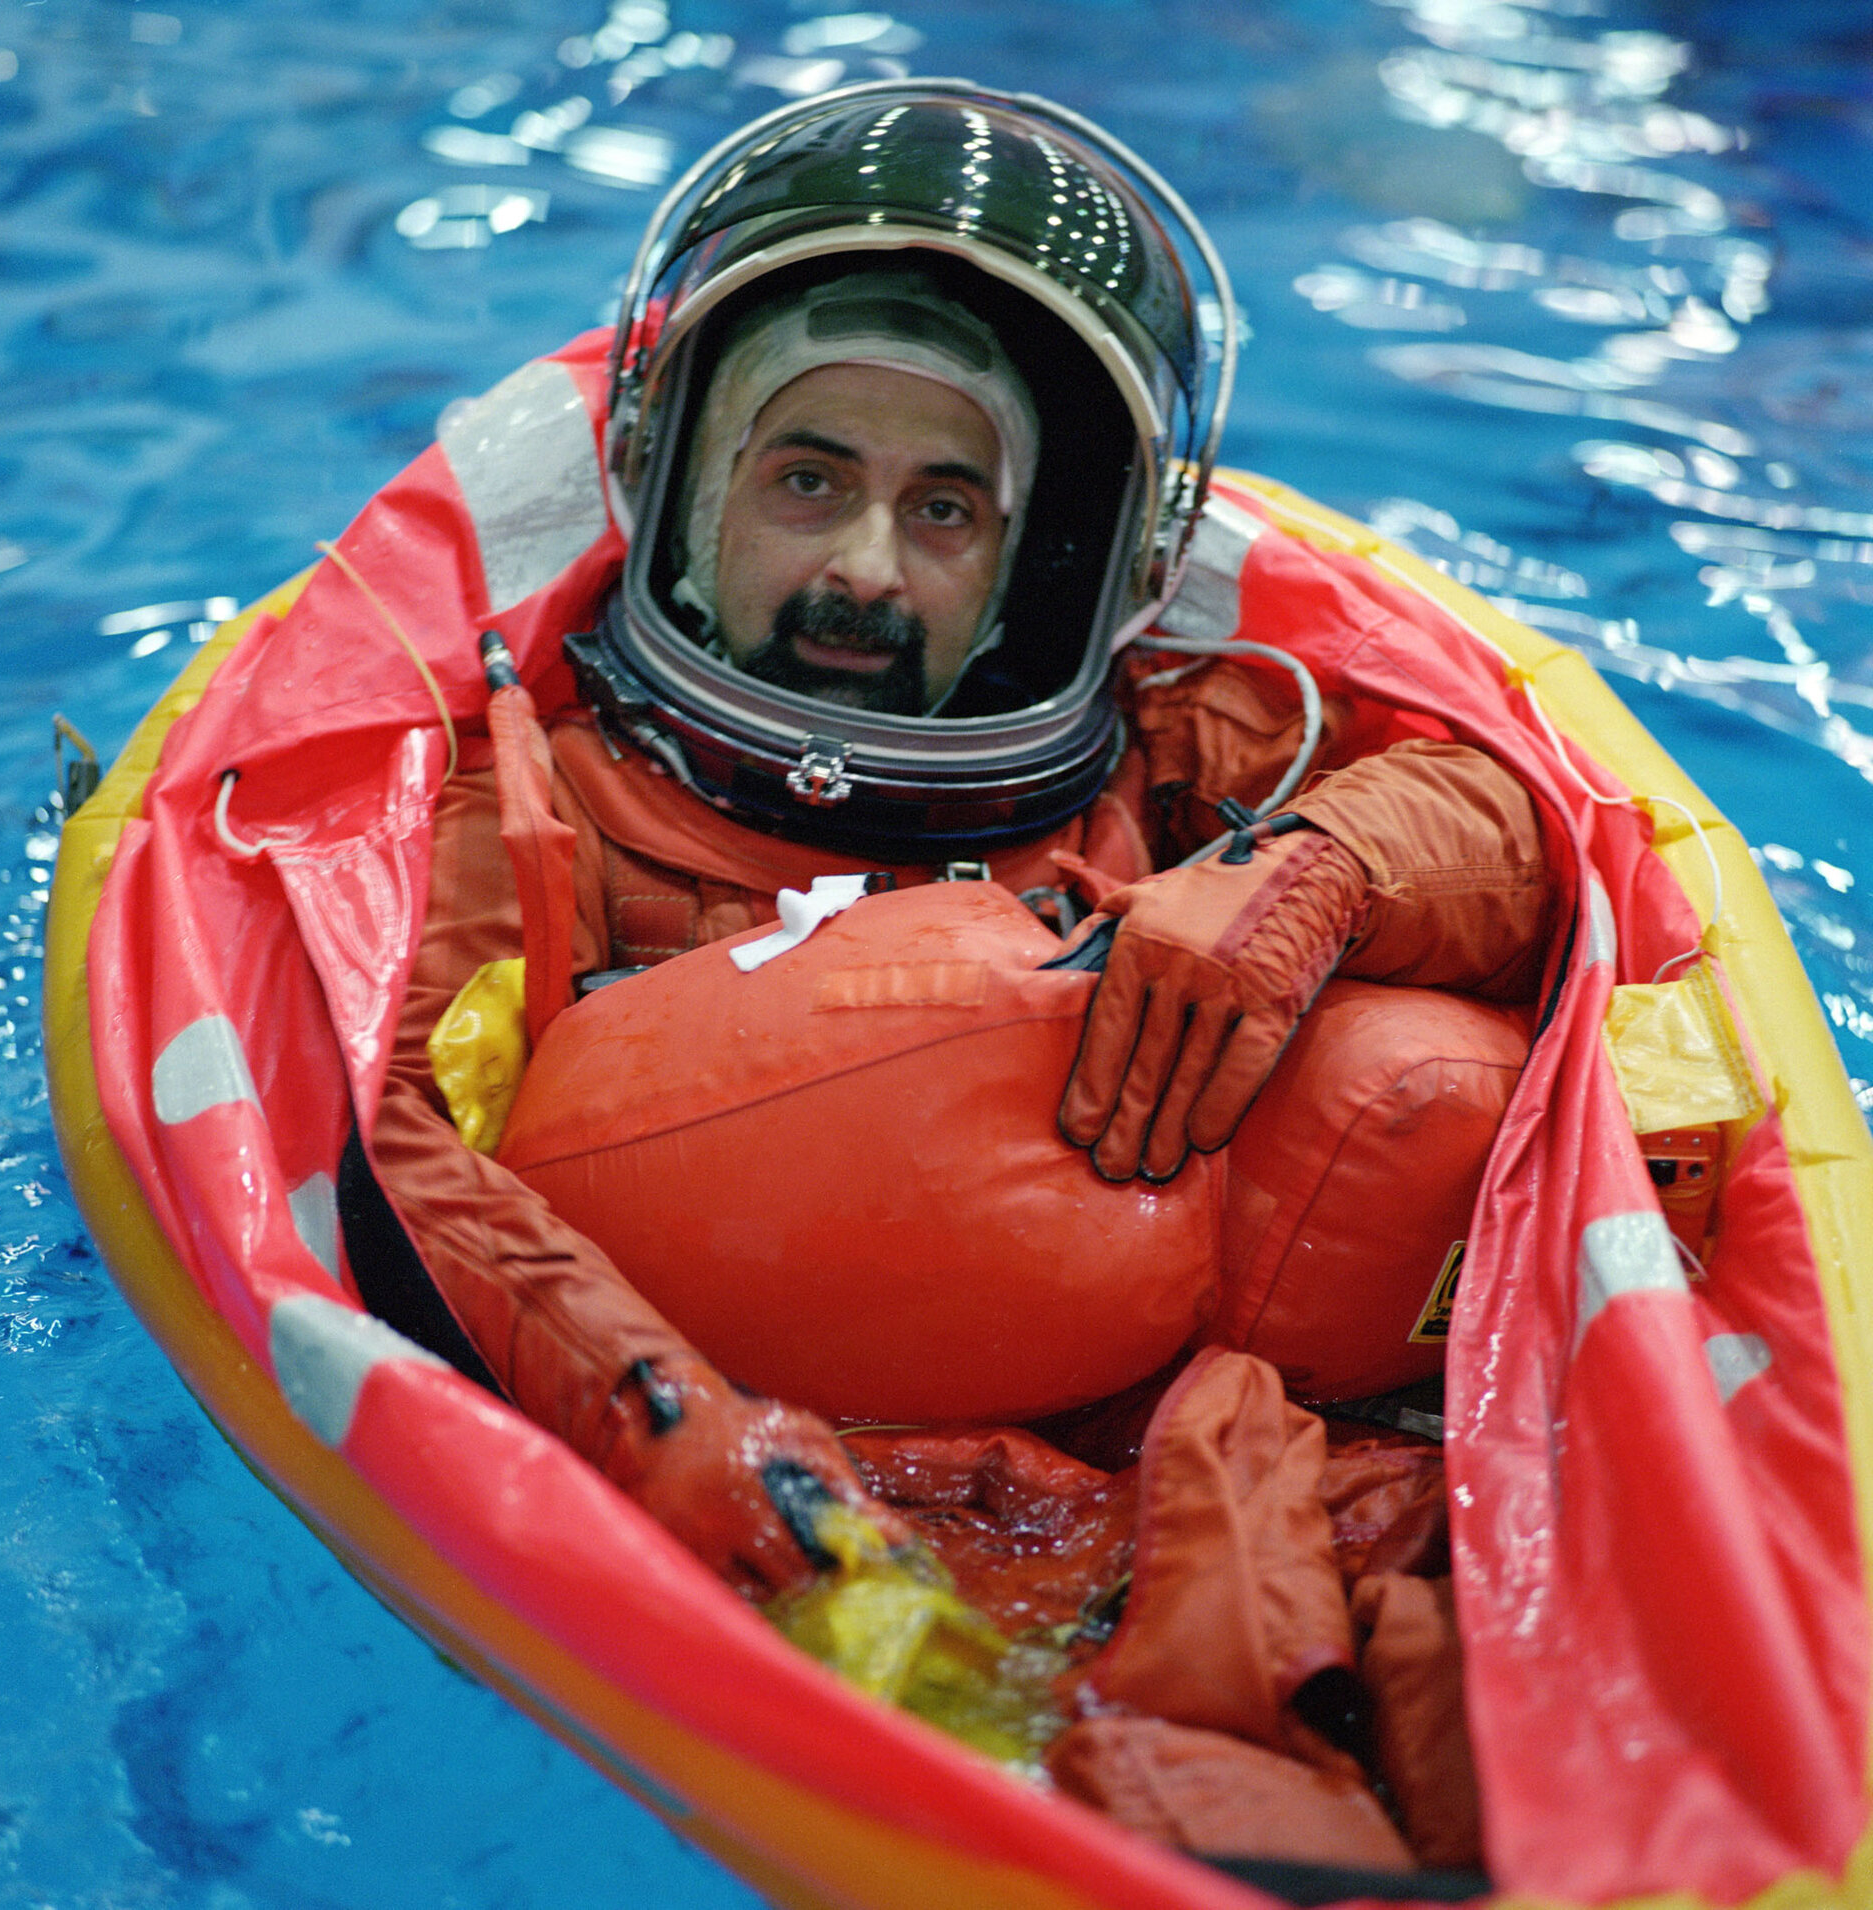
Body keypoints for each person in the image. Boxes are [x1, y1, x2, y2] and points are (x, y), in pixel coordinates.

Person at [352, 80, 1546, 1866]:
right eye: (808, 479)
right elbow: (400, 1155)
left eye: (944, 511)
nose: (861, 567)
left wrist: (1316, 868)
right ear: (678, 495)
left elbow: (1517, 825)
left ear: (1034, 569)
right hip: (781, 1527)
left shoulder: (1155, 759)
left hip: (1214, 1479)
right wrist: (696, 1446)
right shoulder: (525, 808)